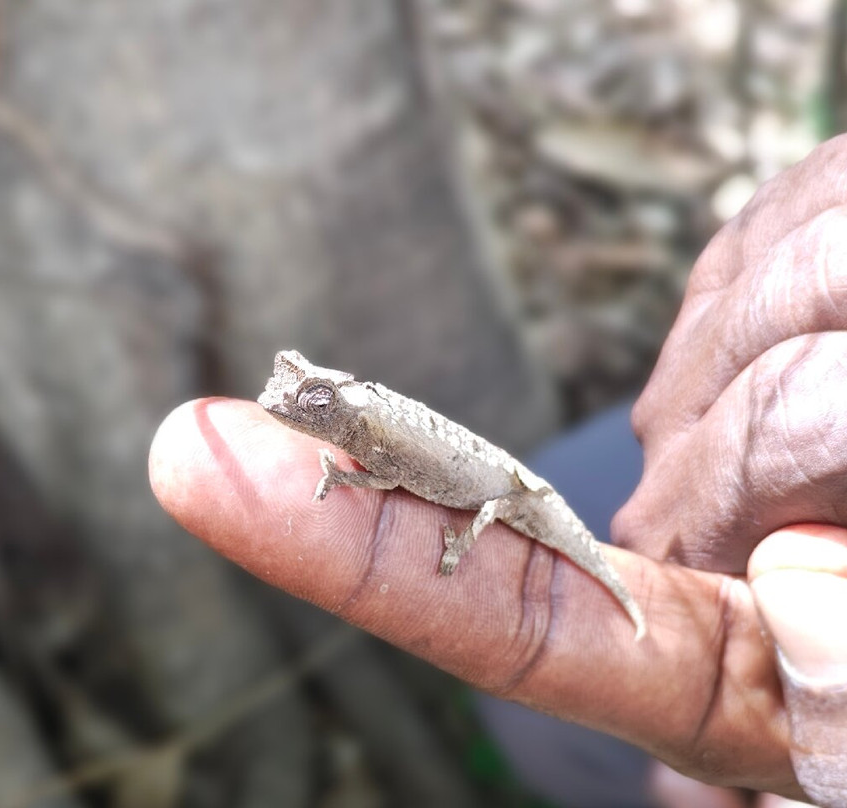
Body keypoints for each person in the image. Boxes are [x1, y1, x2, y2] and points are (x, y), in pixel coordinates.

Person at [149, 134, 847, 806]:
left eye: (313, 398)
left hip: (502, 496)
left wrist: (377, 496)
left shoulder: (362, 430)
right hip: (518, 477)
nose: (295, 406)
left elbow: (388, 479)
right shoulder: (357, 419)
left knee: (592, 628)